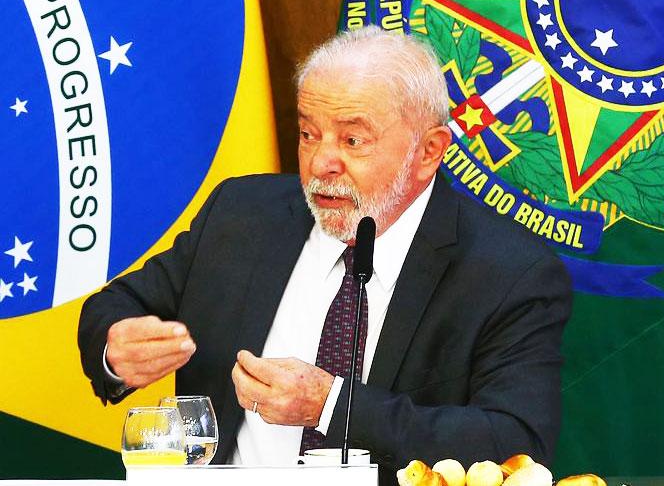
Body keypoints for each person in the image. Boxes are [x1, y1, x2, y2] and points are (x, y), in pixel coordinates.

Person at [78, 26, 572, 486]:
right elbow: (116, 307)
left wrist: (331, 406)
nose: (320, 163)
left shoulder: (510, 272)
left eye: (352, 140)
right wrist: (115, 348)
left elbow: (516, 442)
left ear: (428, 152)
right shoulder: (243, 214)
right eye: (308, 134)